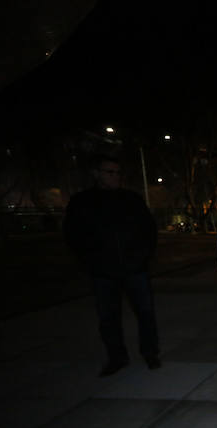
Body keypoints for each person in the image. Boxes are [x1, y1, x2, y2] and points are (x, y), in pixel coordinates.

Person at [64, 155, 160, 376]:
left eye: (117, 172)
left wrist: (143, 257)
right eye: (109, 172)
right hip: (103, 271)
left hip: (134, 268)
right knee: (108, 317)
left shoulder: (131, 199)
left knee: (145, 313)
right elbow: (73, 235)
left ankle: (150, 353)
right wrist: (91, 261)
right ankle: (116, 357)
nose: (115, 176)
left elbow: (149, 230)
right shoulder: (82, 202)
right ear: (96, 173)